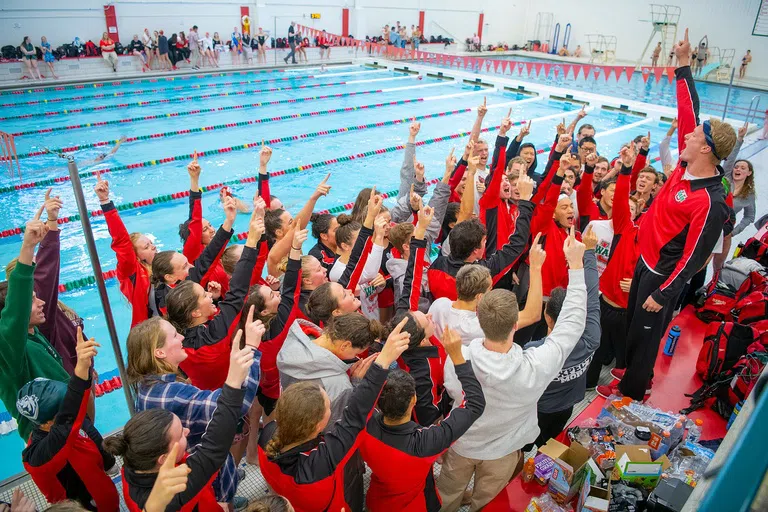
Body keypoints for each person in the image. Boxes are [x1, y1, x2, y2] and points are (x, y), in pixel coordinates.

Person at [603, 29, 736, 402]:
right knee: (633, 331)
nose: (687, 135)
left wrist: (664, 293)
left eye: (694, 135)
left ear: (706, 148)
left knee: (646, 339)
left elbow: (695, 257)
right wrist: (682, 63)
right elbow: (687, 109)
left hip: (662, 274)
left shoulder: (710, 202)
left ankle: (630, 393)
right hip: (645, 261)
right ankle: (632, 372)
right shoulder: (686, 163)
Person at [437, 230, 587, 511]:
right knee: (488, 503)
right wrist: (576, 267)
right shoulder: (536, 366)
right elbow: (573, 325)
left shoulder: (458, 357)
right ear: (515, 326)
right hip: (503, 451)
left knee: (446, 497)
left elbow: (454, 392)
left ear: (478, 313)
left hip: (462, 444)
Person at [258, 318, 410, 512]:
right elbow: (354, 418)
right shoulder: (323, 462)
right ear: (319, 425)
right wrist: (362, 379)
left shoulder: (267, 434)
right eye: (328, 406)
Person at [106, 330, 257, 511]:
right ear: (163, 458)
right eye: (180, 434)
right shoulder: (184, 484)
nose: (186, 431)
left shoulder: (132, 468)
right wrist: (246, 359)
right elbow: (214, 446)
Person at [359, 327, 485, 511]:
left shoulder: (362, 422)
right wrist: (458, 357)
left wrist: (358, 383)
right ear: (414, 400)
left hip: (377, 500)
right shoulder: (425, 442)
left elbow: (359, 401)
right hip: (414, 505)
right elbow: (474, 404)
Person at [18, 328, 118, 511]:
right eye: (64, 409)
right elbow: (70, 415)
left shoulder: (68, 428)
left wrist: (83, 366)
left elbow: (82, 423)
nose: (73, 409)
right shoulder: (40, 459)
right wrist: (80, 369)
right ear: (48, 423)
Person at [166, 206, 262, 391]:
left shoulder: (176, 338)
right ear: (195, 312)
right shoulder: (215, 334)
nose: (210, 295)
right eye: (204, 295)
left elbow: (205, 262)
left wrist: (229, 223)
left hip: (201, 393)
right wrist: (251, 242)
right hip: (227, 394)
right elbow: (237, 292)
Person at [525, 226, 600, 449]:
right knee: (550, 446)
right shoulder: (591, 336)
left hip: (536, 411)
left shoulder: (535, 351)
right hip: (567, 406)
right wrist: (587, 254)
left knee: (522, 450)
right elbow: (592, 295)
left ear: (547, 318)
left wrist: (535, 268)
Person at [0, 206, 70, 444]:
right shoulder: (10, 353)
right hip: (46, 437)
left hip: (64, 423)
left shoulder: (35, 335)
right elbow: (17, 308)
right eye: (31, 299)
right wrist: (28, 247)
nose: (40, 301)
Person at [714, 122, 755, 270]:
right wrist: (739, 139)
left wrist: (734, 232)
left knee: (718, 265)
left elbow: (750, 217)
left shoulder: (748, 195)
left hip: (725, 230)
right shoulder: (726, 181)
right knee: (701, 261)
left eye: (743, 168)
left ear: (749, 173)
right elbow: (730, 159)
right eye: (736, 167)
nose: (738, 169)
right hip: (710, 224)